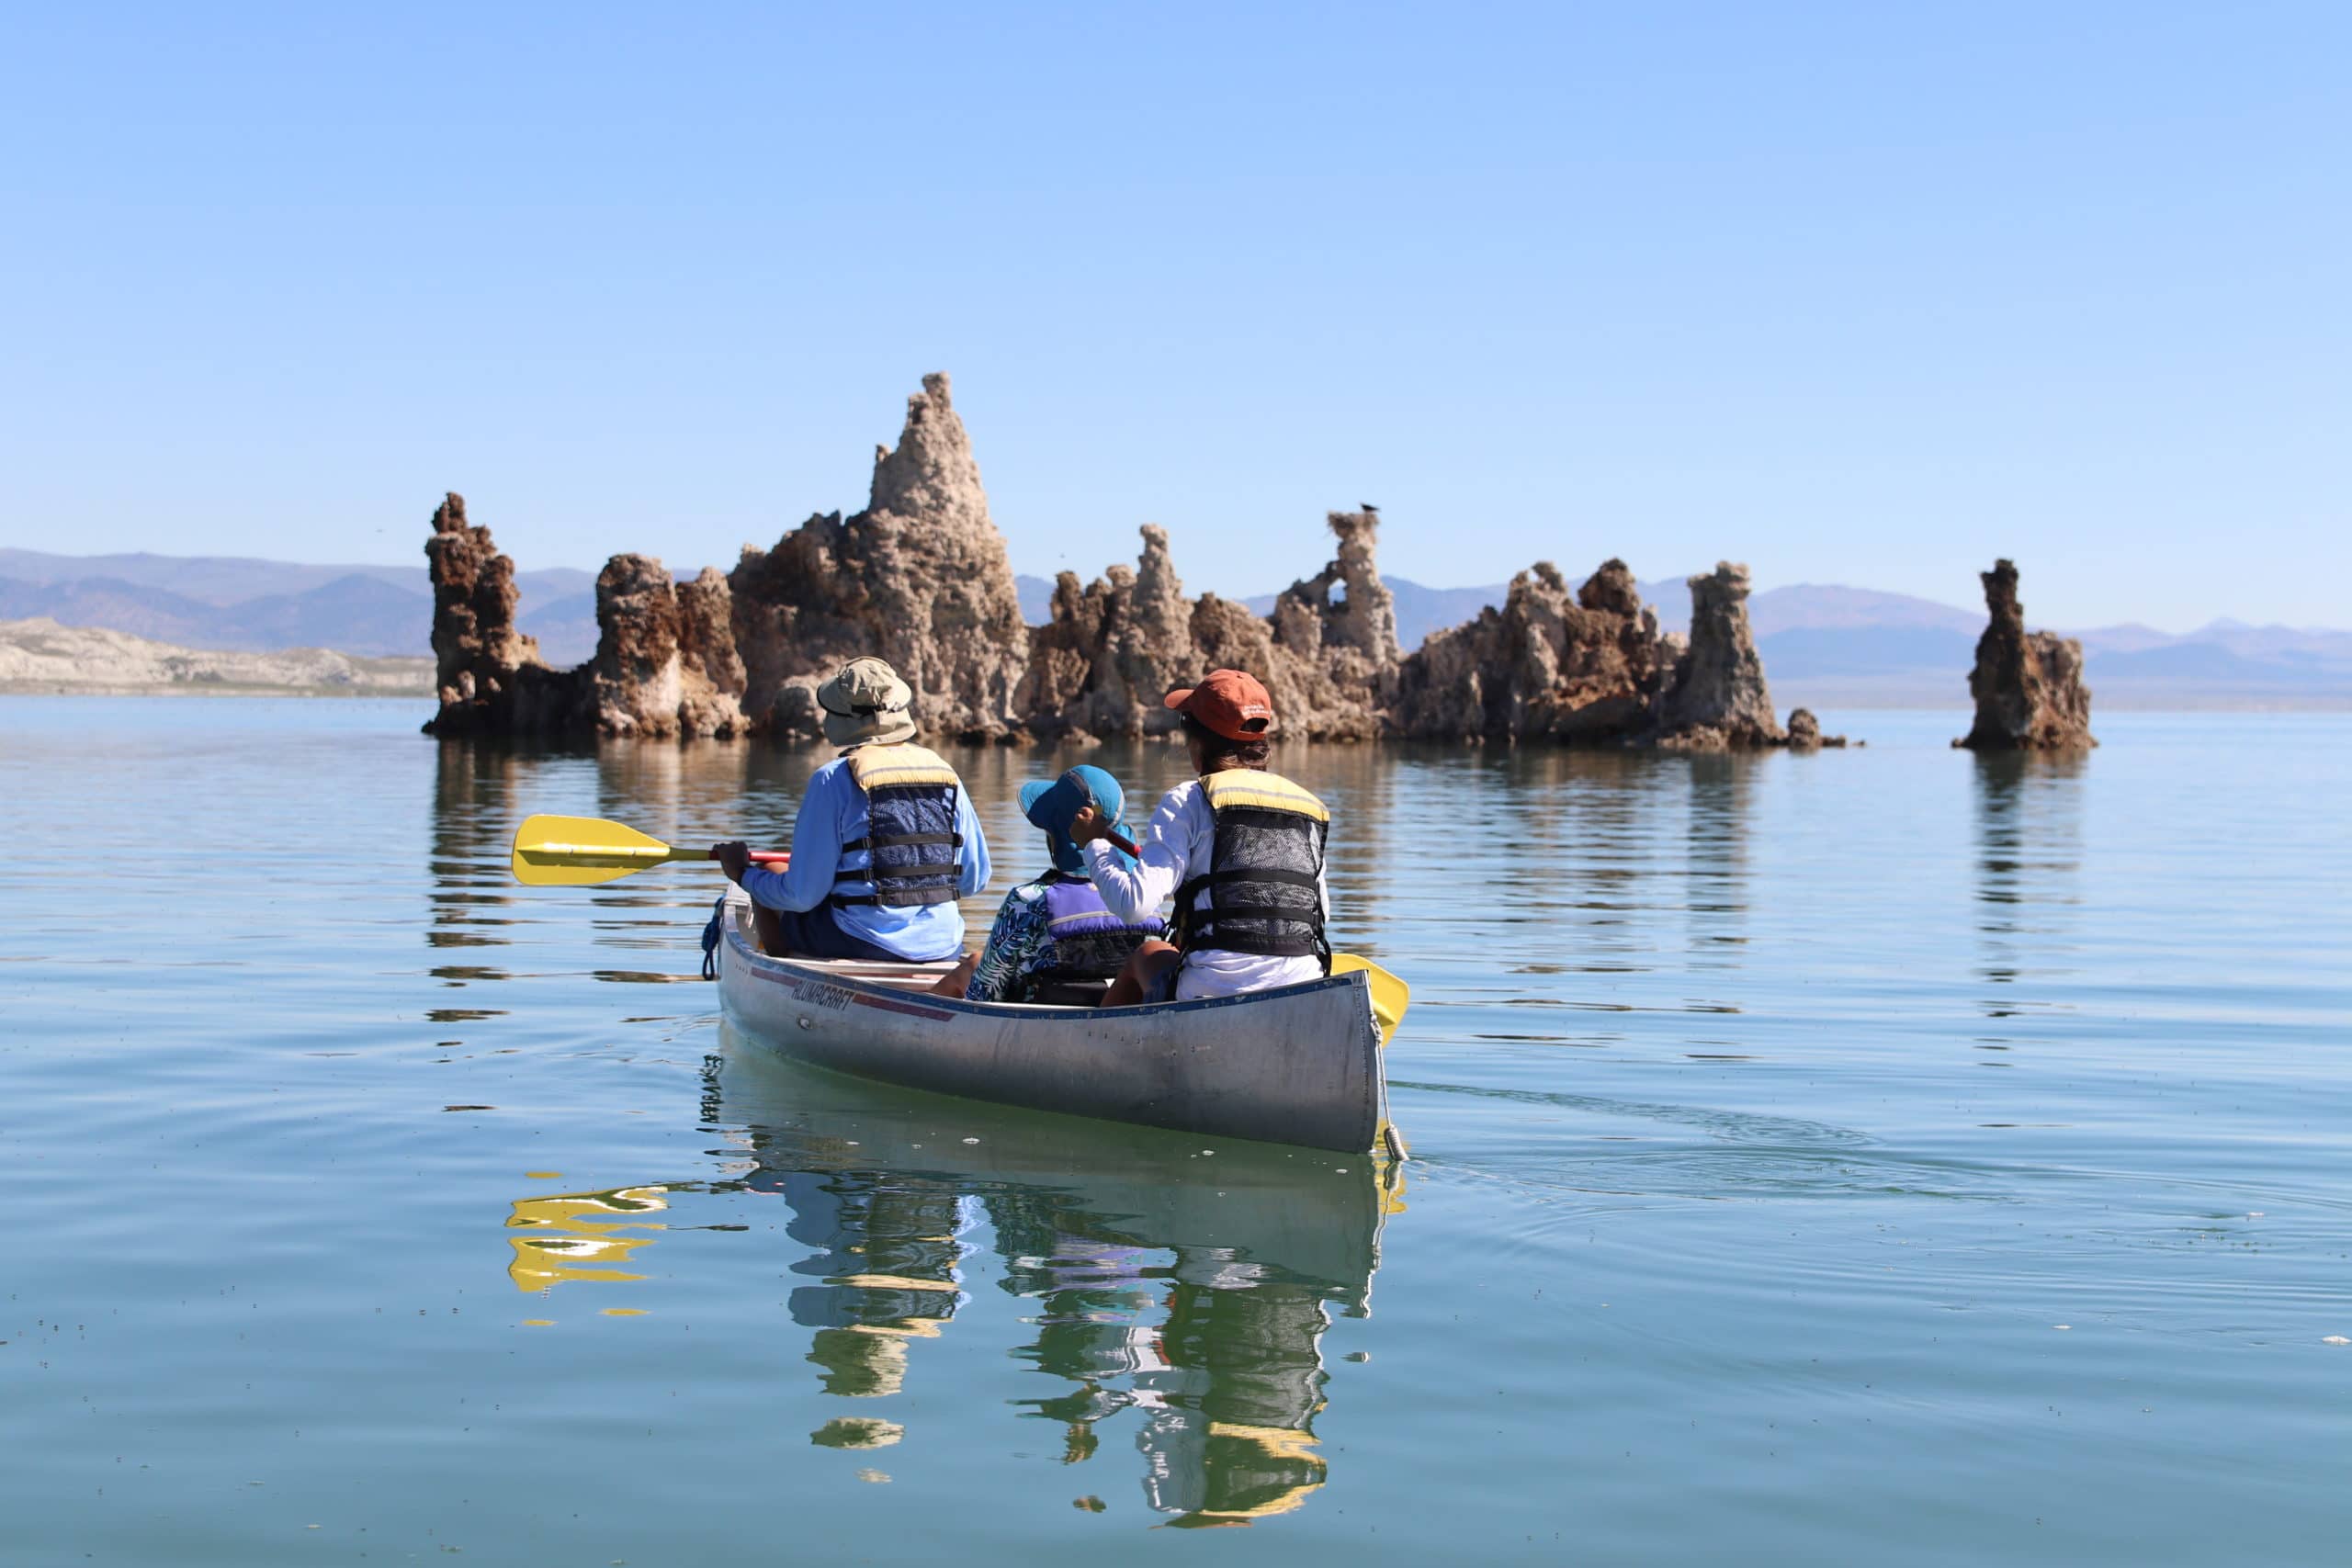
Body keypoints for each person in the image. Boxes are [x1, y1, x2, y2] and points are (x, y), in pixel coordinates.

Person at [1069, 670, 1330, 1006]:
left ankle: (1099, 1049)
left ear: (1197, 744)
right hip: (1303, 984)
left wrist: (1094, 845)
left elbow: (1133, 905)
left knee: (1147, 954)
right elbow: (1319, 911)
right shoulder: (1309, 807)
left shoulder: (1187, 800)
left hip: (1213, 990)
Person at [711, 657, 989, 962]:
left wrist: (742, 874)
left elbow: (803, 896)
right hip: (943, 944)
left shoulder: (833, 779)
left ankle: (785, 972)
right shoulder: (946, 775)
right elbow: (973, 880)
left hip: (861, 941)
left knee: (768, 875)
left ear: (840, 716)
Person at [928, 764, 1164, 1002]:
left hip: (1037, 1020)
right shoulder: (1147, 899)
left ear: (1055, 835)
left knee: (973, 965)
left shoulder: (1027, 901)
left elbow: (983, 994)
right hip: (1113, 1010)